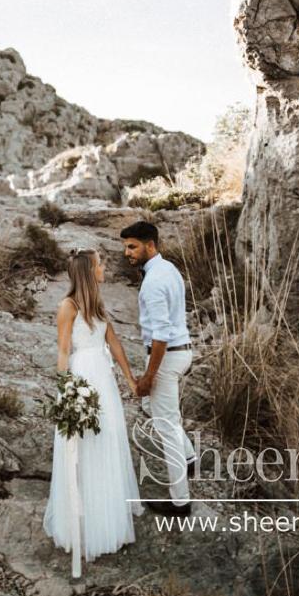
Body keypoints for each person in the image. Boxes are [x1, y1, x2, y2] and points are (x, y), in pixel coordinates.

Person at [43, 247, 144, 577]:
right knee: (83, 445)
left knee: (108, 439)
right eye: (100, 264)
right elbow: (62, 351)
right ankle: (81, 524)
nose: (104, 267)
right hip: (83, 377)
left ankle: (107, 516)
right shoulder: (67, 306)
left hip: (104, 380)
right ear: (89, 271)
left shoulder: (98, 304)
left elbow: (113, 342)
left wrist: (130, 379)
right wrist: (67, 393)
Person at [120, 221, 196, 516]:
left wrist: (149, 377)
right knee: (159, 410)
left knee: (165, 427)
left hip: (167, 356)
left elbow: (161, 335)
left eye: (132, 246)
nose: (127, 252)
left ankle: (180, 501)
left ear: (150, 245)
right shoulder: (169, 269)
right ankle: (189, 459)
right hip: (182, 351)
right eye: (126, 246)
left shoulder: (153, 282)